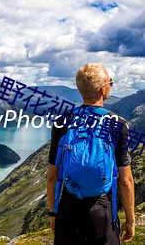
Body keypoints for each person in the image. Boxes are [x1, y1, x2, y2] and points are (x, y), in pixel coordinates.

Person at [47, 63, 135, 245]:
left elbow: (52, 176)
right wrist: (130, 221)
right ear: (103, 89)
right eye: (111, 82)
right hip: (102, 210)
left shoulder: (63, 122)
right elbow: (125, 181)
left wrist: (53, 213)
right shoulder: (118, 125)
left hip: (69, 207)